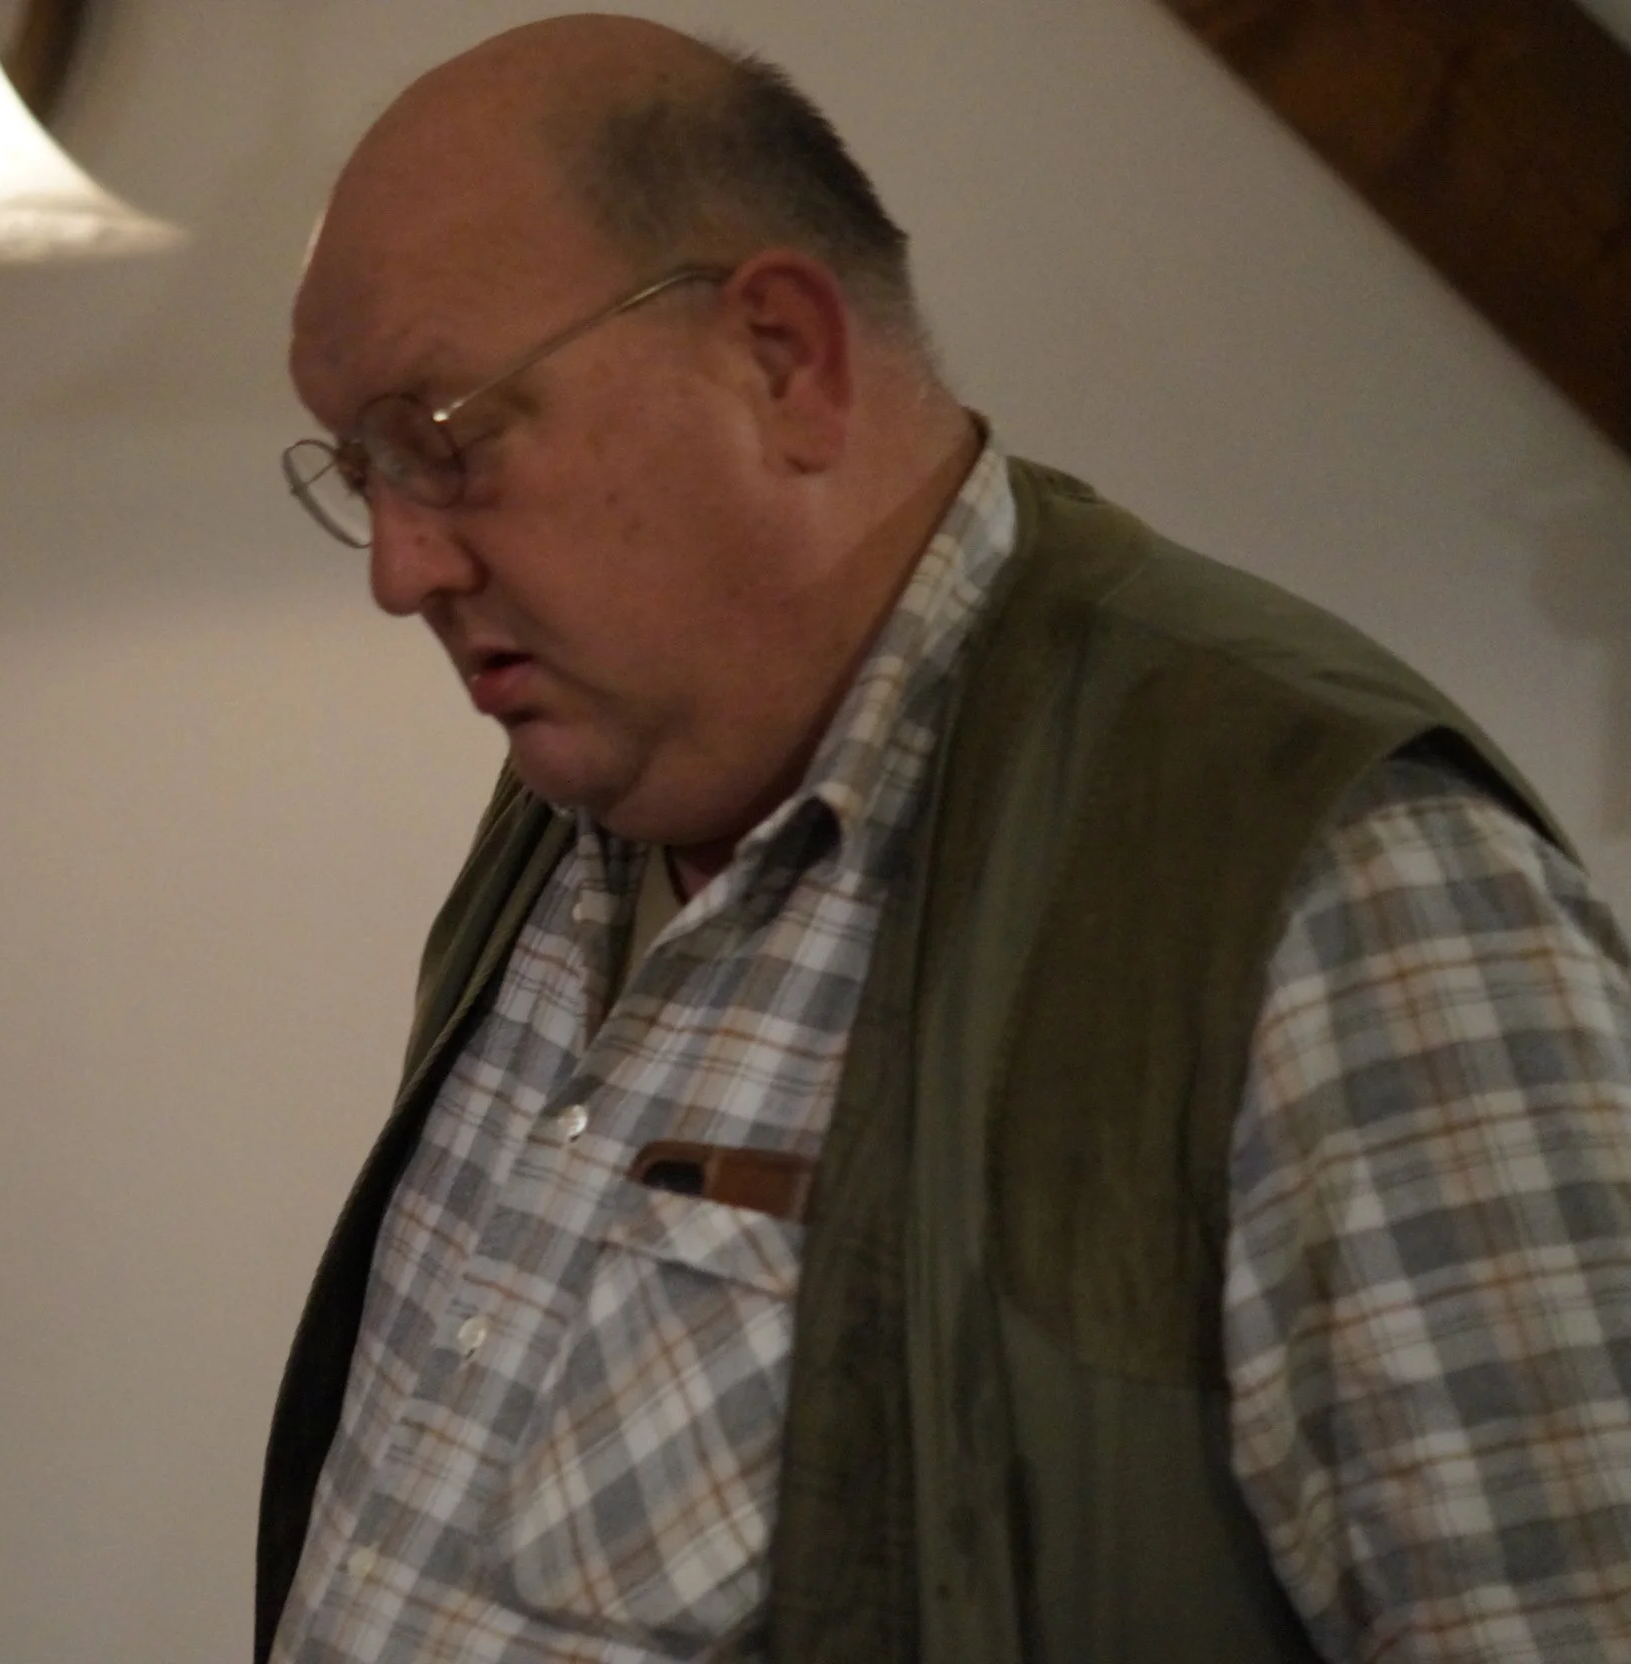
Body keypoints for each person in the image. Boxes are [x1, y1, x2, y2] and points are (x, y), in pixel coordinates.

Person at [257, 14, 1631, 1664]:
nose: (399, 570)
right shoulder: (586, 787)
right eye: (362, 472)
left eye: (444, 441)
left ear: (781, 360)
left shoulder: (1352, 896)